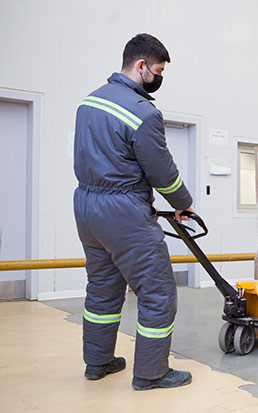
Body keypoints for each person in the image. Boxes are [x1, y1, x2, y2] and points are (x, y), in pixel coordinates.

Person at [73, 33, 195, 390]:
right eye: (158, 71)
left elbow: (107, 159)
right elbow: (162, 171)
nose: (159, 78)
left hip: (87, 206)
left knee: (102, 289)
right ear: (141, 65)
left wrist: (131, 192)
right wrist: (183, 203)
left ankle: (97, 363)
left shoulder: (89, 102)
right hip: (123, 213)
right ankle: (151, 373)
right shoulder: (143, 112)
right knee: (158, 292)